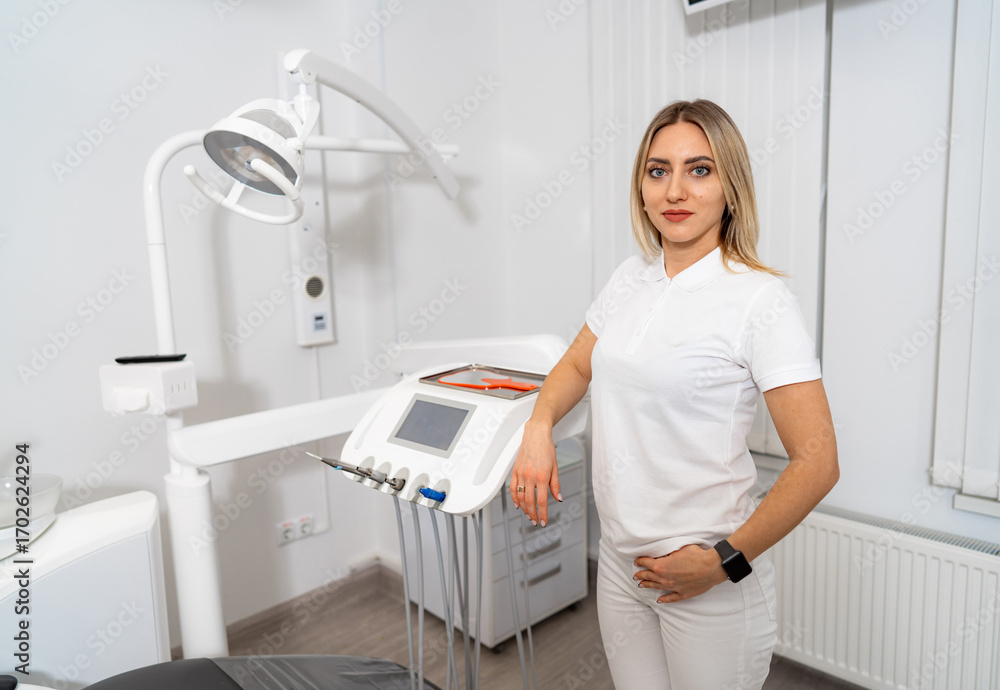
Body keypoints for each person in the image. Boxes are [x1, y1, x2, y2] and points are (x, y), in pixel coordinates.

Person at [510, 99, 839, 689]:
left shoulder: (760, 302)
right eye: (658, 171)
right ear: (641, 189)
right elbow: (576, 365)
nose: (675, 190)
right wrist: (539, 426)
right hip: (620, 565)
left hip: (707, 578)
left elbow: (818, 462)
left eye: (700, 169)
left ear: (730, 187)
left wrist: (722, 562)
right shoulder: (629, 278)